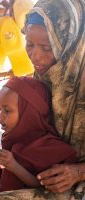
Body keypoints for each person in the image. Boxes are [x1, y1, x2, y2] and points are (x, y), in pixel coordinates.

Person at [24, 0, 85, 195]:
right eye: (29, 45)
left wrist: (78, 172)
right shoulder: (41, 80)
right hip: (45, 182)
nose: (35, 57)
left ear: (69, 42)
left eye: (46, 48)